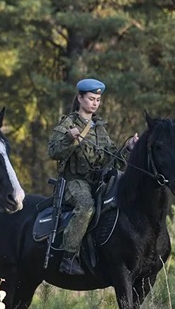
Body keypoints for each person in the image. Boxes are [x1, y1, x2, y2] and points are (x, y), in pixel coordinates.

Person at [48, 78, 138, 275]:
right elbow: (53, 151)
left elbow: (113, 159)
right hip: (74, 181)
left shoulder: (100, 127)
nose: (95, 103)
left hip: (98, 181)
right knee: (86, 207)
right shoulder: (68, 124)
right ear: (80, 98)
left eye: (98, 99)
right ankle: (68, 257)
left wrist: (128, 147)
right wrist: (69, 139)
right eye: (91, 98)